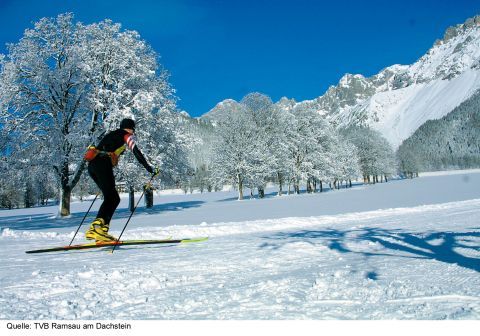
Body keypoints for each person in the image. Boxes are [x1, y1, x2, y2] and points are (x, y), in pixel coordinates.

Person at [83, 118, 159, 242]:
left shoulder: (111, 135)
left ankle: (101, 232)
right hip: (102, 164)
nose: (133, 133)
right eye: (133, 130)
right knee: (111, 198)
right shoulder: (126, 135)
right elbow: (136, 152)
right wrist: (149, 169)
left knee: (113, 197)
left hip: (92, 166)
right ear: (130, 128)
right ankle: (97, 228)